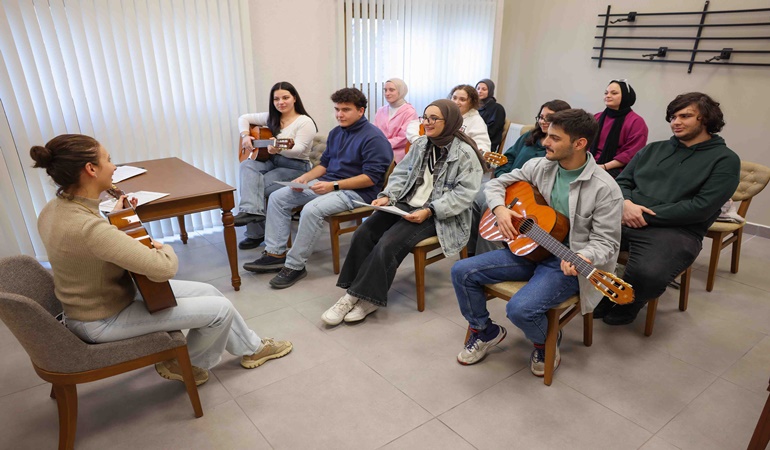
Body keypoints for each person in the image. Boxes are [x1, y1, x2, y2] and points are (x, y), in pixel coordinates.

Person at [31, 134, 293, 387]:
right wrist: (162, 245)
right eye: (108, 159)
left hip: (98, 301)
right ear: (90, 169)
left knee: (211, 291)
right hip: (102, 319)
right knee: (219, 311)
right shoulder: (88, 228)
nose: (113, 167)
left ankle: (253, 348)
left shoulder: (53, 210)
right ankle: (187, 364)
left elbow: (93, 247)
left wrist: (121, 219)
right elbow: (164, 268)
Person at [451, 109, 623, 376]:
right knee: (461, 271)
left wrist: (587, 256)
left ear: (579, 144)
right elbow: (495, 185)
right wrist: (499, 209)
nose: (545, 142)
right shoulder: (540, 166)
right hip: (529, 250)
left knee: (520, 309)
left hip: (565, 261)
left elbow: (607, 242)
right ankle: (485, 331)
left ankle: (545, 342)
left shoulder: (605, 189)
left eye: (554, 138)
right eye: (547, 135)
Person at [321, 99, 484, 325]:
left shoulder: (465, 153)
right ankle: (353, 291)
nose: (427, 123)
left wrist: (429, 210)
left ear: (450, 121)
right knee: (364, 232)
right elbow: (400, 175)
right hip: (406, 203)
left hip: (438, 213)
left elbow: (465, 195)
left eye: (434, 118)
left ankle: (365, 298)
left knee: (388, 242)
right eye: (425, 117)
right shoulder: (421, 144)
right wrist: (388, 195)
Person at [594, 92, 741, 325]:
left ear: (706, 119)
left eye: (685, 116)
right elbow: (622, 182)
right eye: (673, 117)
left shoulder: (725, 160)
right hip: (626, 215)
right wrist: (626, 204)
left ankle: (630, 302)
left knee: (648, 274)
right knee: (578, 243)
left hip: (678, 229)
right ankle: (607, 291)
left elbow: (700, 208)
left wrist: (641, 214)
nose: (676, 122)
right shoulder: (653, 149)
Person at [243, 87, 392, 289]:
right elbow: (324, 165)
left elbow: (370, 179)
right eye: (337, 109)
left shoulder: (374, 138)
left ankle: (295, 266)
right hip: (330, 182)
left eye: (346, 109)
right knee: (279, 197)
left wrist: (333, 185)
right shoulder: (336, 133)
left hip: (357, 192)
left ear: (361, 111)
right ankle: (275, 254)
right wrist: (304, 178)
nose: (340, 114)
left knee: (312, 210)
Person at [468, 99, 572, 256]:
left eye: (548, 118)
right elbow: (508, 158)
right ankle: (471, 252)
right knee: (475, 199)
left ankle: (487, 255)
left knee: (489, 208)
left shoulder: (560, 148)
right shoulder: (530, 136)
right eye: (541, 117)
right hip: (510, 183)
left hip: (529, 196)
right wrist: (504, 178)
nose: (543, 121)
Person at [233, 81, 318, 250]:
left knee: (255, 186)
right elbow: (243, 118)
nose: (281, 102)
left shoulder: (304, 122)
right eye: (276, 99)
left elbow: (299, 149)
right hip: (271, 161)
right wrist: (245, 136)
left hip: (295, 166)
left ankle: (255, 232)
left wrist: (279, 149)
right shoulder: (272, 117)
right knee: (247, 166)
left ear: (294, 98)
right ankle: (253, 217)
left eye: (285, 97)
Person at [406, 84, 491, 156]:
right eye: (454, 98)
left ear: (471, 102)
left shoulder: (476, 121)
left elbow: (483, 146)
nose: (456, 102)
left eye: (462, 99)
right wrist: (418, 141)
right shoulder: (443, 113)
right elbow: (414, 124)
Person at [590, 79, 648, 178]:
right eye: (606, 93)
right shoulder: (597, 117)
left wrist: (603, 167)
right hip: (590, 163)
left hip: (617, 170)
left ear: (625, 97)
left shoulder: (636, 122)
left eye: (614, 93)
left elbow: (630, 153)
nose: (608, 96)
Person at [373, 78, 418, 164]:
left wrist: (381, 145)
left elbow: (404, 138)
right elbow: (374, 132)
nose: (387, 93)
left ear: (401, 91)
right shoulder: (381, 110)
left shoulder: (409, 112)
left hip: (399, 157)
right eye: (385, 90)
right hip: (378, 152)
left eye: (391, 90)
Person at [476, 79, 506, 153]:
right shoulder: (474, 107)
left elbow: (492, 132)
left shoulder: (497, 108)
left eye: (484, 89)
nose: (480, 91)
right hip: (472, 141)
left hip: (486, 144)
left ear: (490, 91)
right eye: (478, 88)